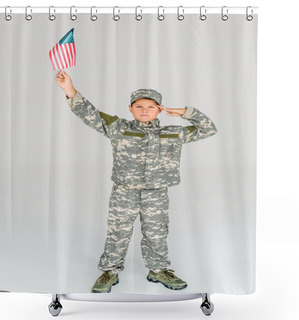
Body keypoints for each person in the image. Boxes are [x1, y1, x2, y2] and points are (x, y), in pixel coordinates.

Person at [55, 69, 218, 293]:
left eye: (151, 106)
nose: (144, 110)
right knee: (117, 232)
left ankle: (158, 270)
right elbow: (89, 113)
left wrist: (184, 112)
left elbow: (208, 129)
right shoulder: (118, 127)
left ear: (160, 110)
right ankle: (110, 271)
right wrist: (69, 89)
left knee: (157, 233)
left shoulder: (173, 132)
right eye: (139, 106)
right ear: (130, 109)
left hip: (156, 193)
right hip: (124, 192)